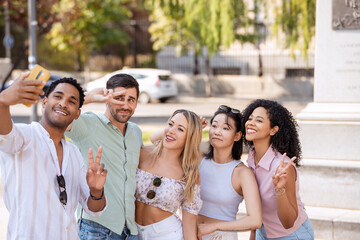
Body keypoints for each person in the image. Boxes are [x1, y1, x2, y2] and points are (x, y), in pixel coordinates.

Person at [0, 72, 107, 240]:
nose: (63, 104)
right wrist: (3, 101)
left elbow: (94, 209)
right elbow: (4, 134)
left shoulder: (74, 153)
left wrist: (96, 190)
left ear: (77, 114)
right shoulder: (24, 137)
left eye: (71, 101)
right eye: (58, 96)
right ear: (44, 102)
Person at [65, 74, 143, 239]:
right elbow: (60, 111)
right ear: (107, 98)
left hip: (130, 230)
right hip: (97, 229)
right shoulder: (88, 124)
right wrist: (89, 97)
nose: (125, 105)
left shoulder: (135, 132)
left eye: (131, 99)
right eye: (119, 98)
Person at [242, 99, 314, 240]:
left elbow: (288, 222)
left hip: (291, 235)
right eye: (250, 118)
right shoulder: (251, 157)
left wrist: (279, 189)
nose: (250, 123)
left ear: (273, 130)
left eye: (259, 120)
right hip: (263, 232)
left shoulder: (283, 167)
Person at [135, 109, 203, 240]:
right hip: (132, 233)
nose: (171, 130)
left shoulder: (189, 173)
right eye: (170, 124)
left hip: (167, 234)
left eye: (180, 129)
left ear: (190, 137)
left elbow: (189, 221)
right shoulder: (142, 155)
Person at [197, 105, 262, 240]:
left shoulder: (242, 173)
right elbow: (158, 142)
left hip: (221, 236)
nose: (217, 132)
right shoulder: (199, 159)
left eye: (225, 128)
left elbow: (255, 220)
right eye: (214, 126)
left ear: (237, 136)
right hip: (190, 233)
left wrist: (215, 226)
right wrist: (191, 126)